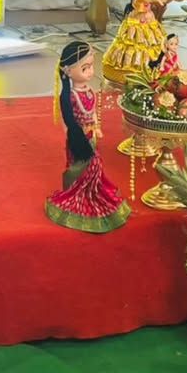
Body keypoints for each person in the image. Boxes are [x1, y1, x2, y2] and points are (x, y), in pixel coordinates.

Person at [45, 41, 130, 232]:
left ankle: (93, 190)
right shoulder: (70, 96)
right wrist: (74, 135)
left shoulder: (89, 91)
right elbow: (67, 120)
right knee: (80, 166)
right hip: (79, 139)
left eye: (91, 66)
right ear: (68, 71)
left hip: (91, 135)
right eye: (85, 68)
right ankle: (77, 193)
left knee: (95, 166)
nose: (91, 72)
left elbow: (91, 112)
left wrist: (96, 127)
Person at [102, 0, 166, 84]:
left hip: (147, 10)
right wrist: (137, 0)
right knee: (133, 36)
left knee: (151, 34)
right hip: (139, 8)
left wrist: (159, 1)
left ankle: (151, 66)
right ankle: (131, 65)